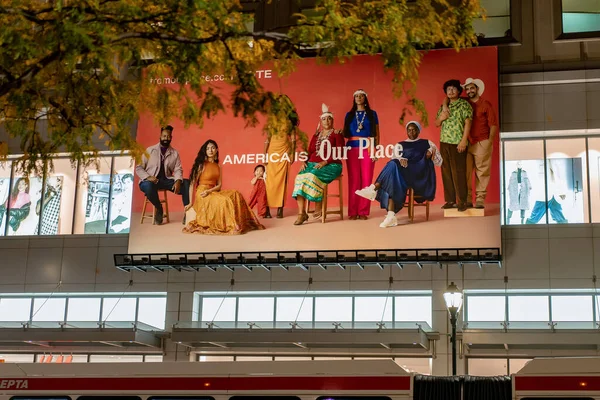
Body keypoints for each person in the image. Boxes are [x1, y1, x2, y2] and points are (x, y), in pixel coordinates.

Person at [355, 121, 442, 228]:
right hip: (405, 174)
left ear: (419, 131)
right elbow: (394, 159)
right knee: (393, 170)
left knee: (393, 169)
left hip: (420, 175)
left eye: (414, 129)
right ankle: (390, 215)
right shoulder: (400, 145)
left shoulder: (427, 143)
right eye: (409, 130)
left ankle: (373, 189)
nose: (411, 132)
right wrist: (400, 159)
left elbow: (439, 162)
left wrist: (432, 151)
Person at [183, 140, 265, 235]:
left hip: (212, 191)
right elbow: (192, 184)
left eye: (213, 148)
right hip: (202, 193)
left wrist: (210, 191)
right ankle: (230, 225)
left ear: (216, 150)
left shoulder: (218, 166)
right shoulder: (201, 165)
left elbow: (219, 185)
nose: (210, 150)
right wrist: (190, 203)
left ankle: (242, 222)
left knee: (235, 194)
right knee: (224, 200)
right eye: (208, 148)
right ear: (205, 151)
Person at [444, 78, 498, 209]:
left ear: (477, 89)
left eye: (472, 88)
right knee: (465, 172)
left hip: (482, 141)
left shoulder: (486, 104)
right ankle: (467, 199)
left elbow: (493, 124)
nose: (469, 91)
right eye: (467, 89)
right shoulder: (464, 102)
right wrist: (445, 106)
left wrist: (489, 141)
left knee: (482, 172)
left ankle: (480, 199)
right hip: (466, 142)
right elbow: (447, 98)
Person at [292, 103, 344, 226]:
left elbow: (340, 151)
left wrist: (325, 161)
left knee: (312, 175)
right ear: (320, 121)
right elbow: (309, 151)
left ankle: (318, 203)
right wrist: (304, 161)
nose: (327, 121)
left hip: (332, 165)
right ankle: (301, 214)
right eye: (324, 119)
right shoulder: (316, 135)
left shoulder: (337, 134)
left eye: (329, 118)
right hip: (313, 163)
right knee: (300, 176)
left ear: (332, 120)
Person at [135, 125, 190, 225]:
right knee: (148, 186)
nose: (166, 138)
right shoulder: (149, 150)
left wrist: (178, 181)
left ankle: (188, 212)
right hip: (150, 181)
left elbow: (178, 169)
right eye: (164, 136)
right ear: (160, 137)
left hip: (166, 180)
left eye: (168, 137)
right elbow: (139, 168)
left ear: (171, 138)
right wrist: (148, 177)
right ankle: (159, 208)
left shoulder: (174, 153)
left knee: (186, 183)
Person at [436, 79, 472, 212]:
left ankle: (462, 201)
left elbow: (468, 123)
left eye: (453, 89)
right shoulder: (444, 106)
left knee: (459, 172)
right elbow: (436, 123)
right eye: (448, 89)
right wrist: (441, 118)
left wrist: (464, 141)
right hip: (444, 142)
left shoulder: (464, 104)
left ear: (459, 91)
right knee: (446, 172)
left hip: (458, 143)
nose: (450, 91)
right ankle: (450, 200)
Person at [343, 89, 380, 220]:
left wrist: (375, 149)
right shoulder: (349, 115)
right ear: (354, 99)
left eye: (361, 96)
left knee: (366, 179)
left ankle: (363, 211)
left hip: (367, 147)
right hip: (352, 148)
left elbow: (377, 133)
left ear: (365, 98)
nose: (359, 98)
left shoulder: (372, 114)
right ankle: (353, 211)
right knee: (354, 179)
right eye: (356, 96)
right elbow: (345, 133)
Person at [264, 95, 299, 219]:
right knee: (269, 182)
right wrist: (264, 154)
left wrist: (293, 154)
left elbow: (294, 140)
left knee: (282, 181)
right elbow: (267, 139)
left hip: (284, 152)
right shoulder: (271, 121)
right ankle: (267, 209)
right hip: (272, 152)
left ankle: (280, 209)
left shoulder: (290, 121)